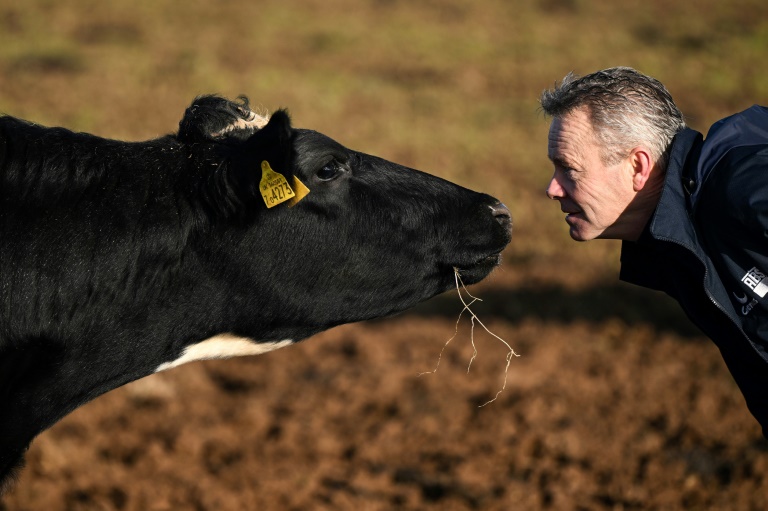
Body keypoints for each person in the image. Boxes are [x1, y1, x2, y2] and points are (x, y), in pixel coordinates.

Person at [541, 66, 768, 437]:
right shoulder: (678, 245)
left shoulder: (745, 188)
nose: (552, 189)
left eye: (569, 168)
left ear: (638, 166)